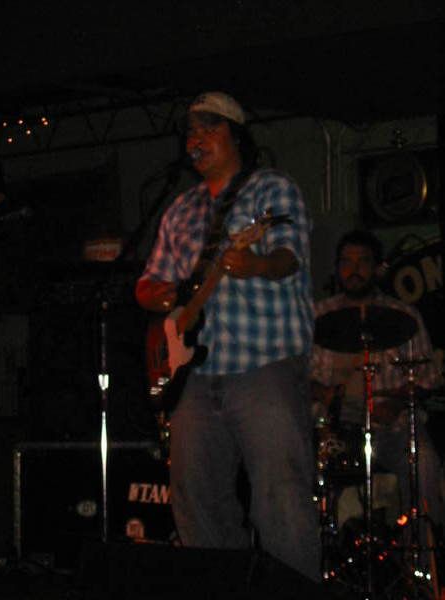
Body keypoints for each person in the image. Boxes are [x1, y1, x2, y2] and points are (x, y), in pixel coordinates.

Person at [135, 91, 320, 582]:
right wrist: (157, 295)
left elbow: (289, 256)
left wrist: (257, 264)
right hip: (192, 377)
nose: (195, 140)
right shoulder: (179, 209)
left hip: (264, 364)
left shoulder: (271, 188)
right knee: (195, 499)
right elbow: (148, 282)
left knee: (279, 499)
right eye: (190, 132)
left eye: (208, 128)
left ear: (236, 136)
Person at [311, 230, 444, 554]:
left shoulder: (404, 316)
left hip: (391, 426)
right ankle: (319, 557)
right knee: (294, 463)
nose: (354, 270)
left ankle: (421, 559)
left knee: (424, 465)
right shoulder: (317, 315)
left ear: (378, 268)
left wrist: (396, 401)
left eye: (363, 262)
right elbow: (294, 377)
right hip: (332, 428)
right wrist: (323, 394)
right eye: (346, 262)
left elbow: (428, 378)